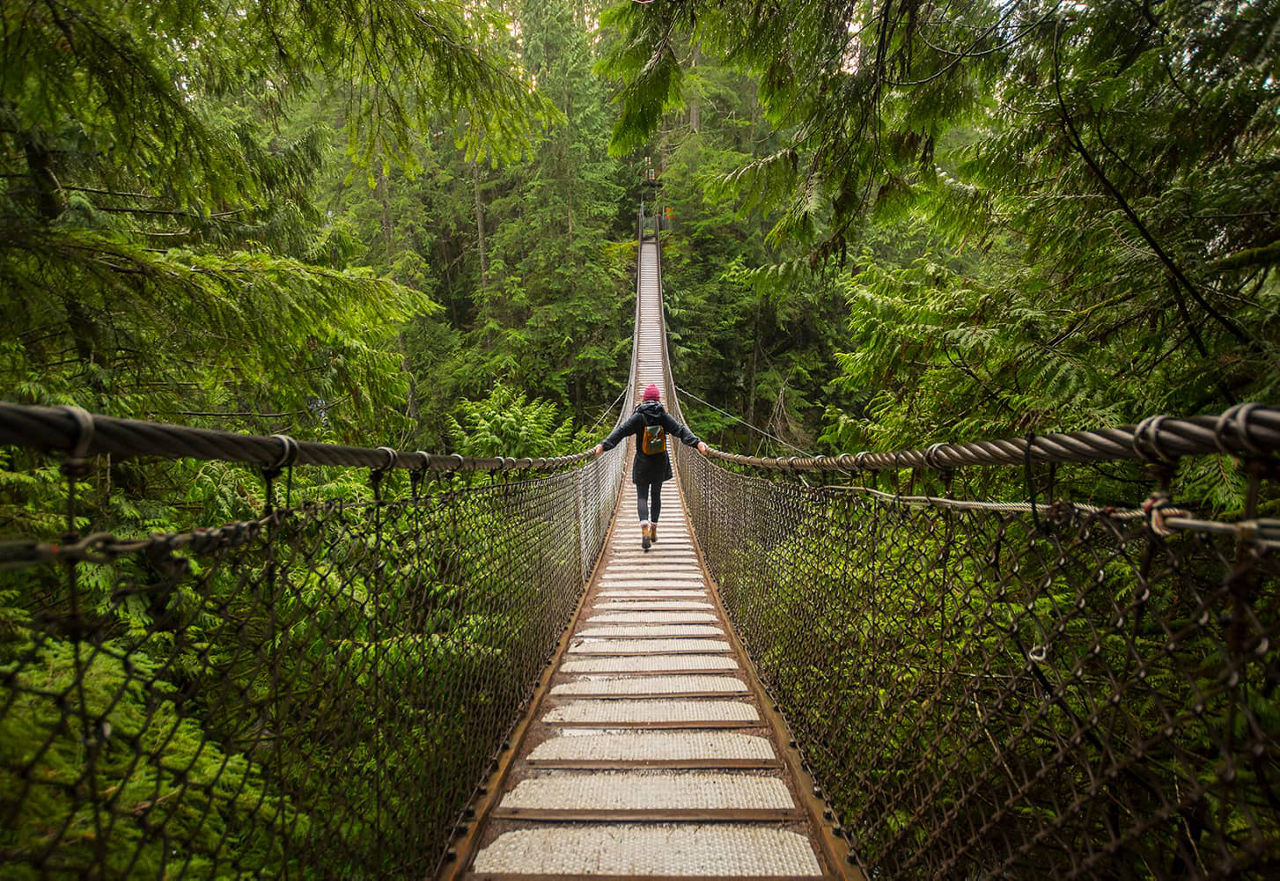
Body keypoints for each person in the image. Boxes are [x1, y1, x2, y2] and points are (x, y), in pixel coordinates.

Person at [594, 383, 708, 550]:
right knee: (656, 496)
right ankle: (654, 529)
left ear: (644, 399)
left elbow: (621, 431)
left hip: (642, 462)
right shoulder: (663, 415)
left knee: (642, 497)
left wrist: (604, 445)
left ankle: (644, 528)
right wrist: (697, 443)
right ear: (658, 399)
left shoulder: (638, 416)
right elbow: (680, 430)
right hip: (659, 463)